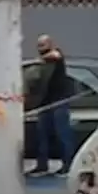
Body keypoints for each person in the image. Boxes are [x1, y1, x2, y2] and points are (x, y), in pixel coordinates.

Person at [28, 34, 75, 177]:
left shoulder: (56, 56)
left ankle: (68, 165)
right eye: (38, 46)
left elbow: (55, 55)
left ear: (50, 44)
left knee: (62, 134)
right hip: (45, 102)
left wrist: (39, 60)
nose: (40, 49)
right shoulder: (41, 65)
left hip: (59, 101)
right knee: (42, 135)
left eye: (43, 45)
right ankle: (42, 166)